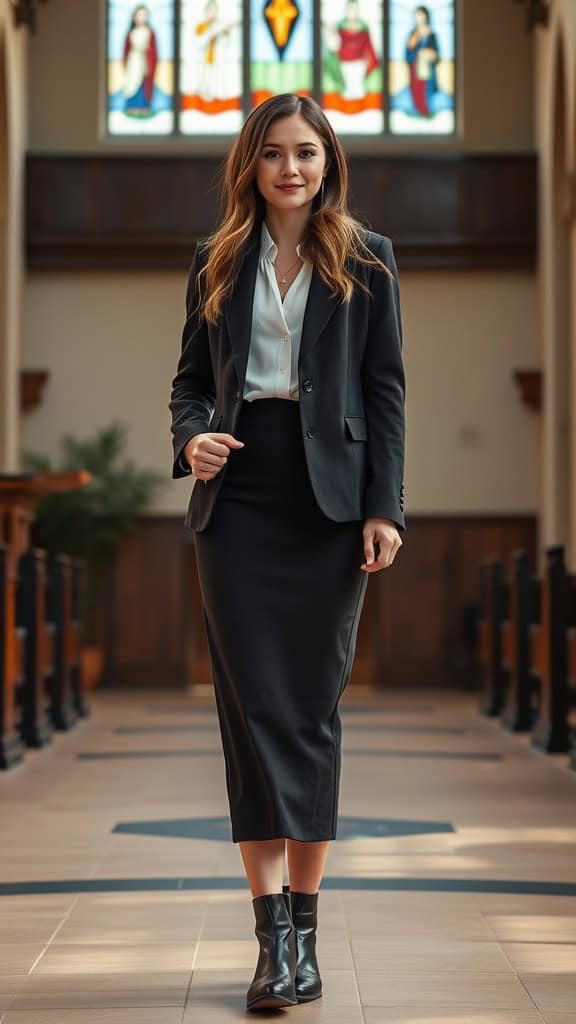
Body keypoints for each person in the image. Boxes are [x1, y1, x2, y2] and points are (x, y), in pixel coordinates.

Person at [169, 92, 406, 1012]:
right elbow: (191, 383)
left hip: (330, 506)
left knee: (309, 709)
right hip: (237, 502)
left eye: (306, 152)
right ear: (250, 165)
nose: (292, 169)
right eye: (273, 154)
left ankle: (306, 928)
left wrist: (384, 508)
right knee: (251, 712)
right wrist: (193, 440)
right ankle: (274, 946)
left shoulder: (368, 259)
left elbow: (385, 391)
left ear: (328, 159)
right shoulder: (214, 261)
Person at [122, 4, 158, 118]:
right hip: (133, 62)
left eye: (144, 15)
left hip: (144, 61)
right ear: (134, 17)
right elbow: (126, 50)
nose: (141, 18)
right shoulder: (131, 32)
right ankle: (132, 107)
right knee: (132, 83)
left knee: (143, 84)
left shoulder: (149, 32)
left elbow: (153, 49)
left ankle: (143, 107)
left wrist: (148, 57)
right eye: (139, 15)